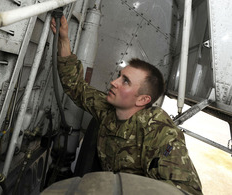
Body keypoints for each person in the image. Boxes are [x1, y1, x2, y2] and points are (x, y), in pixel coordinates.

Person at [50, 16, 202, 195]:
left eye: (126, 81)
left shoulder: (158, 128)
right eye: (119, 76)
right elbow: (75, 86)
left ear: (142, 100)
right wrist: (63, 39)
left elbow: (186, 190)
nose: (114, 82)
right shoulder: (109, 110)